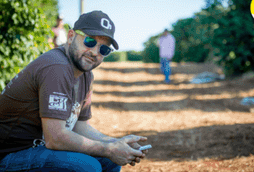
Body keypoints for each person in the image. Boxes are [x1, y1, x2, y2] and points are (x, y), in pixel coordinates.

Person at [0, 10, 147, 172]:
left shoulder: (86, 75)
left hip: (37, 149)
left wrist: (116, 143)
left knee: (110, 161)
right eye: (89, 41)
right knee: (87, 167)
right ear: (70, 37)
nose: (94, 52)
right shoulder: (57, 67)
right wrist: (109, 149)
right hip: (10, 153)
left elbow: (80, 126)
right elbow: (55, 139)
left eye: (104, 49)